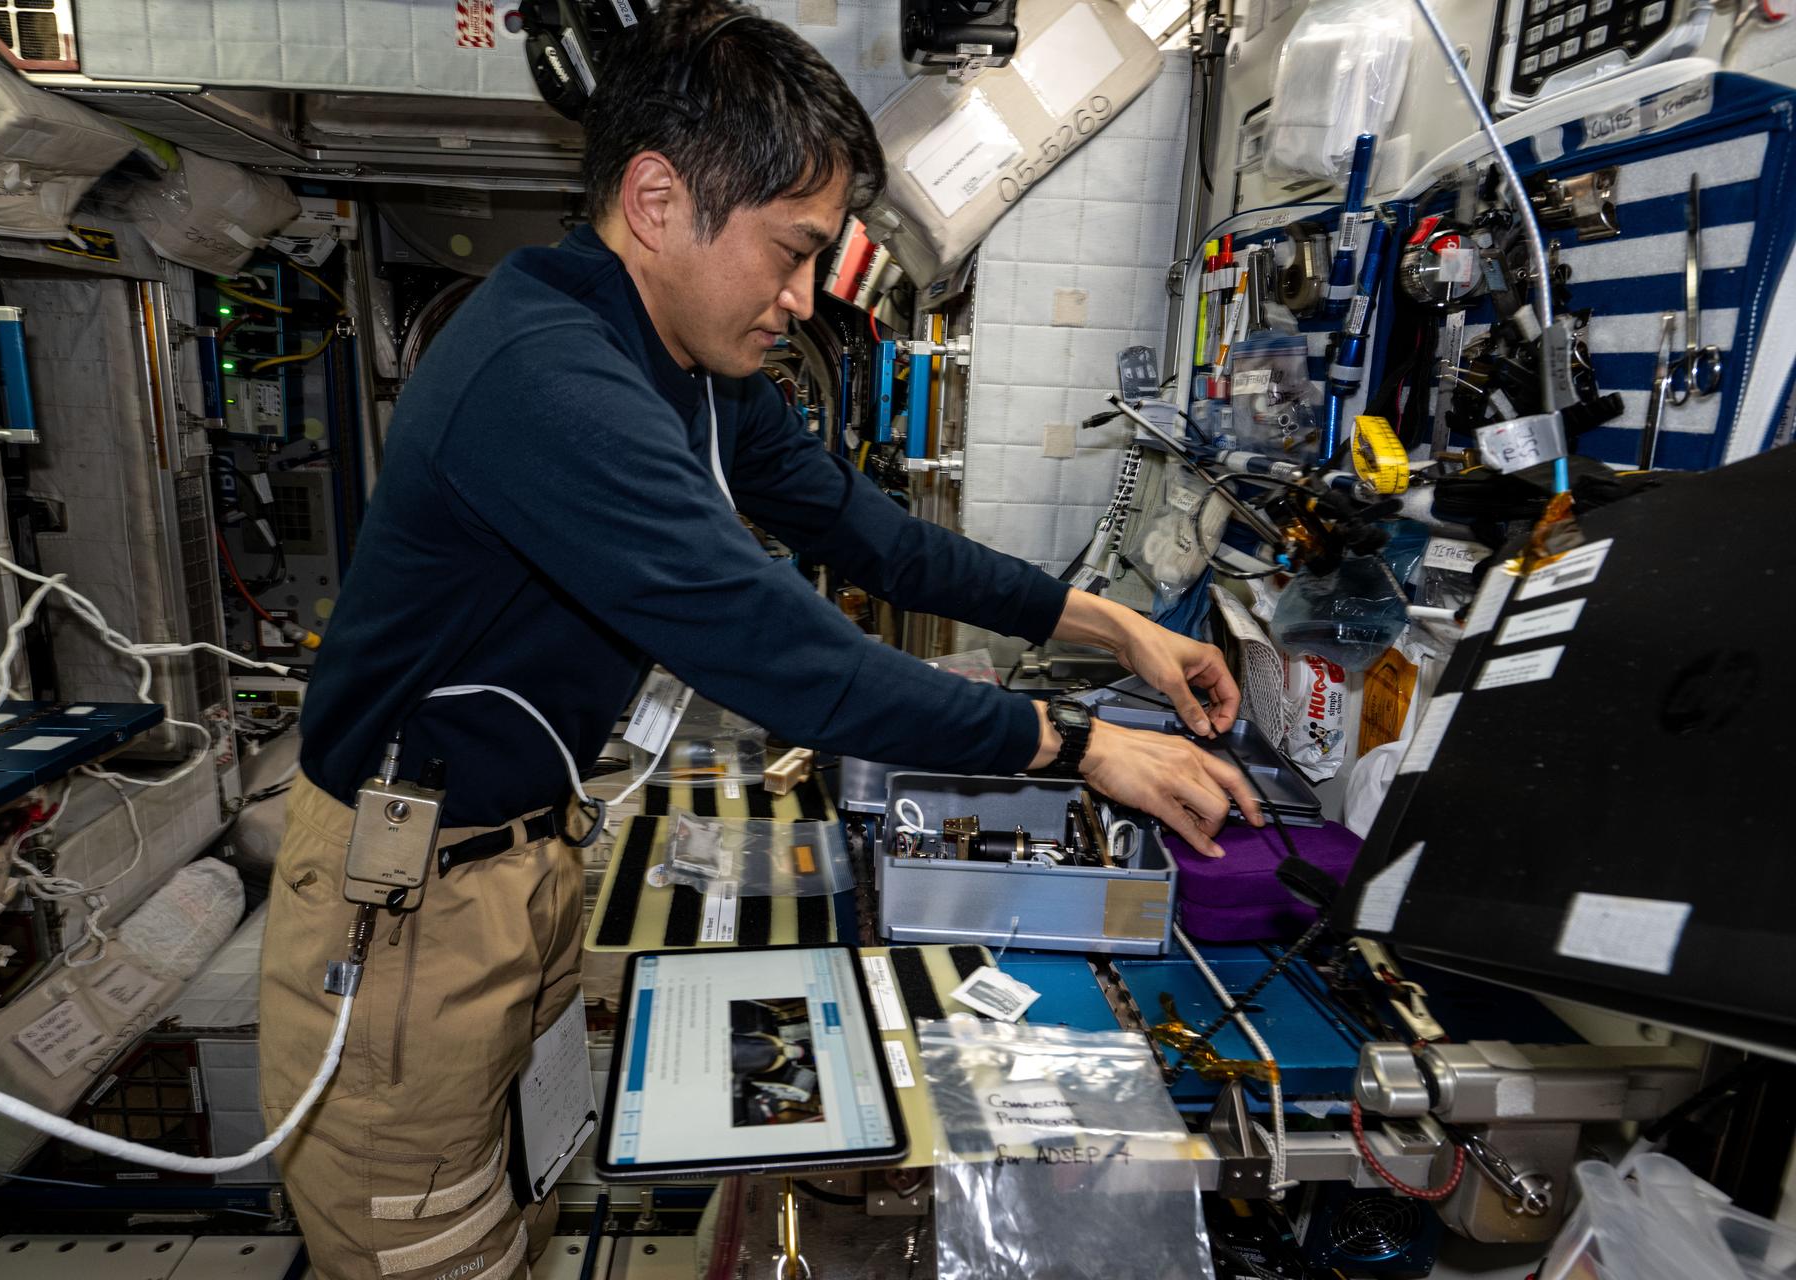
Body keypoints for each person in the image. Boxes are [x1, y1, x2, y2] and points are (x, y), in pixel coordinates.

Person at [257, 2, 1262, 1275]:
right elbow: (787, 655)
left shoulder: (690, 366)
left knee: (526, 1188)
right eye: (789, 254)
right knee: (433, 1245)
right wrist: (1075, 748)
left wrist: (1111, 625)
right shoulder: (545, 374)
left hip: (517, 863)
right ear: (658, 198)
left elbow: (878, 540)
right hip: (401, 909)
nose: (799, 300)